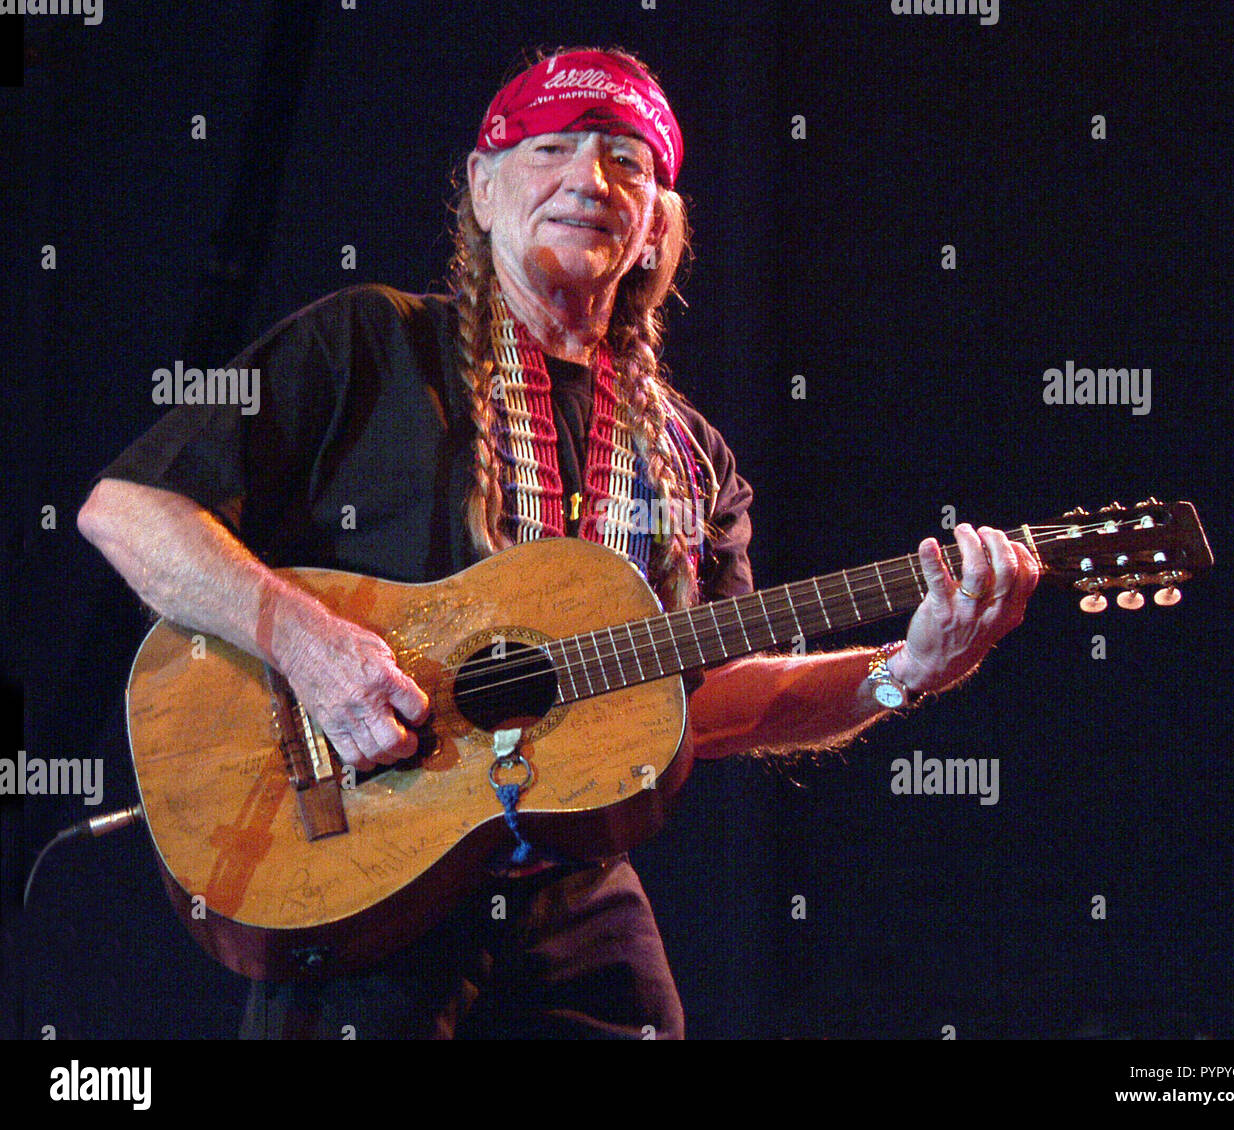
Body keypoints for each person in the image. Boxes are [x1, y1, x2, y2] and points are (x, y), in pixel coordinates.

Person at [77, 46, 1040, 1039]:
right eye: (552, 148)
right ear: (482, 190)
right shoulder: (368, 344)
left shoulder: (689, 456)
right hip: (358, 874)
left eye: (627, 160)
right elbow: (130, 510)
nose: (589, 179)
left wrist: (908, 668)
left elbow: (712, 704)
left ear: (656, 224)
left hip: (573, 903)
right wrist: (307, 645)